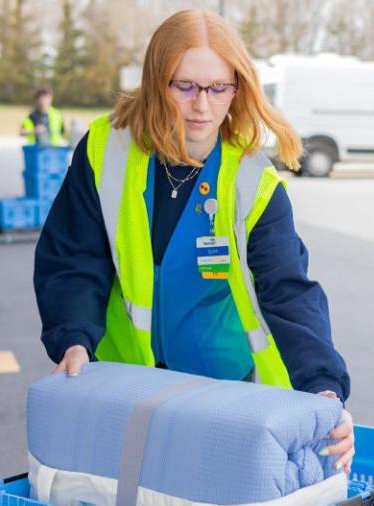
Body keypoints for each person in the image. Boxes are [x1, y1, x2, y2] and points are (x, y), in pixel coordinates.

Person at [33, 10, 354, 472]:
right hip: (123, 383)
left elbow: (288, 290)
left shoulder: (252, 182)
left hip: (220, 393)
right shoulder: (105, 150)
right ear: (155, 82)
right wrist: (73, 339)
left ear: (237, 88)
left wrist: (325, 389)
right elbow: (74, 256)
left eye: (219, 87)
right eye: (185, 86)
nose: (202, 106)